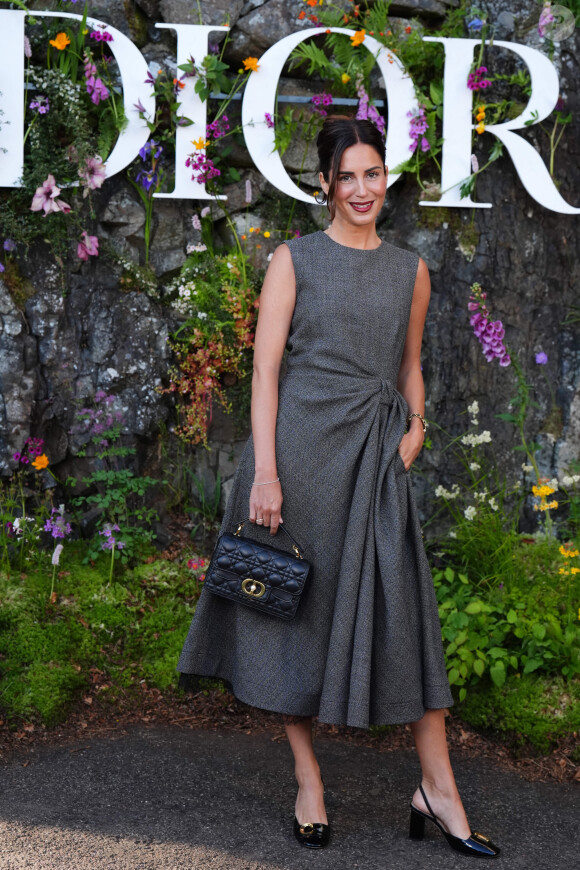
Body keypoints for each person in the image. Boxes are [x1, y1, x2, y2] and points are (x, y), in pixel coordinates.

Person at [177, 116, 500, 858]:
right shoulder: (294, 259)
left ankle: (437, 789)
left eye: (373, 174)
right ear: (325, 183)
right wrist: (265, 472)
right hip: (295, 463)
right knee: (285, 614)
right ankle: (308, 780)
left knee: (407, 617)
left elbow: (410, 364)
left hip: (374, 465)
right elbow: (264, 373)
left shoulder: (411, 270)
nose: (361, 189)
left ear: (387, 180)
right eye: (347, 175)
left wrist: (415, 427)